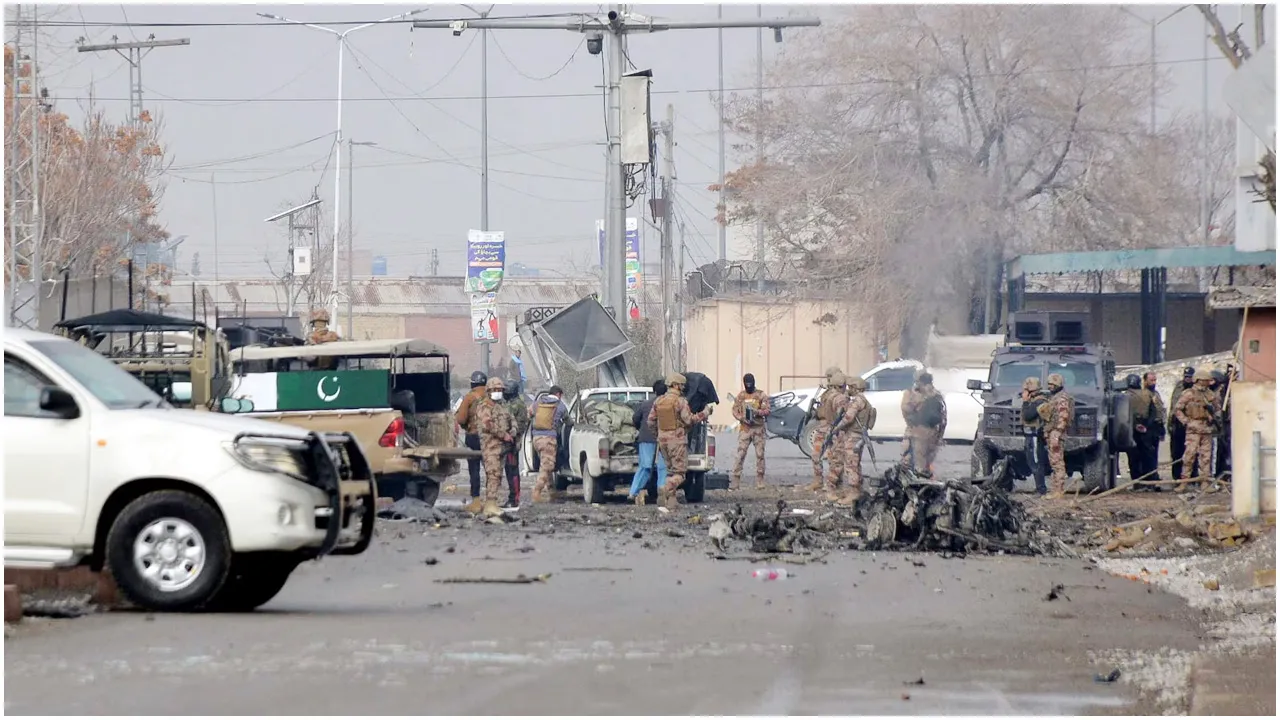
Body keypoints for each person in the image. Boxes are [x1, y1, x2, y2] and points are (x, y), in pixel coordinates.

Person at [646, 373, 710, 510]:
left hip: (663, 442)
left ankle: (671, 502)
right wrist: (705, 413)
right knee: (680, 474)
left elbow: (650, 421)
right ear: (675, 385)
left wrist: (659, 434)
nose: (683, 388)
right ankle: (665, 488)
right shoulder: (680, 402)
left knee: (670, 472)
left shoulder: (658, 401)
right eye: (681, 385)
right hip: (677, 441)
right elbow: (689, 420)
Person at [1173, 369, 1221, 492]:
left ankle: (1205, 482)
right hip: (1193, 428)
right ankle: (1184, 482)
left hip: (1207, 428)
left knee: (1206, 457)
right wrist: (1186, 421)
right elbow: (1178, 409)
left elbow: (1218, 409)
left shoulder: (1210, 394)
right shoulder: (1188, 394)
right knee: (1189, 456)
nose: (1207, 383)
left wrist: (1213, 417)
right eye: (1205, 380)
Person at [473, 377, 515, 517]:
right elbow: (488, 424)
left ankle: (492, 503)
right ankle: (490, 504)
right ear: (489, 391)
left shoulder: (501, 406)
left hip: (500, 448)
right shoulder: (484, 406)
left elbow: (510, 419)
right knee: (493, 475)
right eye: (495, 390)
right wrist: (504, 435)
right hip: (490, 447)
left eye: (500, 390)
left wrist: (512, 432)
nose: (498, 392)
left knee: (497, 476)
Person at [801, 367, 846, 494]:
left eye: (830, 377)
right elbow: (822, 409)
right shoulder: (826, 393)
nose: (828, 380)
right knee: (816, 455)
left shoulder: (840, 396)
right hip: (822, 427)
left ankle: (836, 483)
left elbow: (841, 414)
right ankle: (818, 480)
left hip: (834, 429)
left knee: (835, 458)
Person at [833, 376, 875, 505]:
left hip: (853, 436)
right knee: (855, 464)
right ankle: (856, 491)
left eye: (851, 387)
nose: (848, 389)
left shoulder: (858, 401)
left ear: (855, 388)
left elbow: (848, 418)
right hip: (857, 435)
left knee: (851, 465)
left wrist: (836, 428)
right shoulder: (861, 400)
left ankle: (854, 494)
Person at [628, 380, 668, 505]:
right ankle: (662, 492)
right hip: (664, 439)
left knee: (645, 467)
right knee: (663, 467)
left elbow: (635, 419)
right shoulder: (669, 404)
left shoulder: (646, 404)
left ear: (654, 391)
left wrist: (640, 428)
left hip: (646, 438)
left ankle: (634, 492)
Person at [730, 373, 771, 491]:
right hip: (745, 428)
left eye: (750, 383)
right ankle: (735, 480)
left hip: (758, 428)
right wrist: (742, 418)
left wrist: (756, 412)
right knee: (740, 454)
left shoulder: (761, 395)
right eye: (746, 383)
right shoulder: (741, 396)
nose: (748, 385)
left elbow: (767, 410)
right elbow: (734, 410)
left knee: (760, 455)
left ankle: (760, 480)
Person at [900, 370, 947, 473]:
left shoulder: (913, 394)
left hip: (918, 431)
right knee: (924, 462)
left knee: (915, 462)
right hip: (931, 432)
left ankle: (919, 483)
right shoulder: (937, 395)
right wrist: (940, 436)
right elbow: (943, 418)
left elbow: (906, 410)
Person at [1038, 373, 1075, 499]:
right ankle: (1056, 490)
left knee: (1057, 462)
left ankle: (1058, 491)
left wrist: (1057, 432)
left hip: (1056, 433)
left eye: (1053, 384)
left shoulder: (1061, 398)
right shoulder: (1055, 397)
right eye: (1049, 384)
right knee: (1054, 462)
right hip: (1052, 431)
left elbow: (1063, 416)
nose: (1050, 387)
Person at [454, 371, 489, 503]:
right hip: (488, 438)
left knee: (474, 469)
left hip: (473, 437)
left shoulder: (469, 397)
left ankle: (476, 499)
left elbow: (461, 419)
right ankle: (491, 498)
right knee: (490, 469)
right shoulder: (490, 397)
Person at [530, 385, 568, 503]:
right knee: (547, 467)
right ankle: (537, 491)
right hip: (549, 440)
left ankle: (552, 492)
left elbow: (529, 414)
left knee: (545, 464)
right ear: (558, 394)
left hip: (536, 439)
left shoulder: (537, 403)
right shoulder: (560, 405)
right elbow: (568, 421)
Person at [819, 374, 853, 500]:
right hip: (838, 432)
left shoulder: (829, 396)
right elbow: (842, 416)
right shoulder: (840, 398)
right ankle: (830, 488)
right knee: (838, 463)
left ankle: (837, 489)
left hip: (830, 429)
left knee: (834, 460)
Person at [1019, 376, 1050, 495]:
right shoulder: (1035, 401)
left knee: (1036, 463)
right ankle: (1039, 488)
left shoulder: (1039, 401)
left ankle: (1041, 489)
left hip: (1035, 437)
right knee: (1032, 462)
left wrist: (1025, 401)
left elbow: (1028, 415)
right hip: (1030, 437)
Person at [1125, 373, 1157, 484]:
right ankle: (1150, 481)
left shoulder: (1124, 396)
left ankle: (1137, 482)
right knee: (1148, 455)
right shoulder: (1148, 394)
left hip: (1131, 428)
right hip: (1146, 428)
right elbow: (1154, 413)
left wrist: (1134, 425)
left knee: (1133, 457)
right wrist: (1146, 426)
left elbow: (1123, 415)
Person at [501, 382, 529, 508]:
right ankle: (513, 497)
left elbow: (512, 423)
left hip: (512, 442)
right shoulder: (516, 403)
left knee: (512, 471)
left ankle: (514, 498)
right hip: (511, 441)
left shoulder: (515, 405)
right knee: (510, 470)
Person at [1167, 366, 1196, 481]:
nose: (1187, 379)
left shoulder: (1196, 389)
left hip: (1191, 425)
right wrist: (1170, 425)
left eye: (1189, 377)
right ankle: (1177, 477)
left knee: (1192, 453)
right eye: (1186, 377)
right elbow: (1173, 406)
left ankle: (1192, 477)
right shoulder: (1178, 386)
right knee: (1176, 453)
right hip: (1177, 426)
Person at [1143, 371, 1166, 485]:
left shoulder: (1156, 393)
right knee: (1148, 454)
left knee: (1155, 453)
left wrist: (1162, 428)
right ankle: (1149, 477)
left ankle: (1154, 475)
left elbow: (1161, 410)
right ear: (1145, 381)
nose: (1153, 382)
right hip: (1148, 427)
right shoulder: (1144, 394)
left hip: (1156, 427)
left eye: (1155, 380)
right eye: (1151, 380)